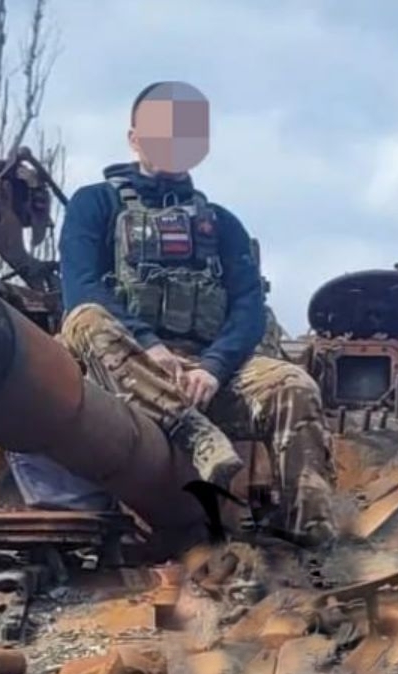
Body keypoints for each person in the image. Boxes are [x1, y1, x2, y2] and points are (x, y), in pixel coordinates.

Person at [52, 81, 337, 546]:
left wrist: (213, 367)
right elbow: (80, 287)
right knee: (84, 318)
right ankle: (193, 432)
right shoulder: (94, 204)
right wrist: (149, 347)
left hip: (206, 372)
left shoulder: (222, 223)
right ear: (134, 138)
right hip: (124, 372)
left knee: (293, 385)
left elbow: (248, 308)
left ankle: (311, 541)